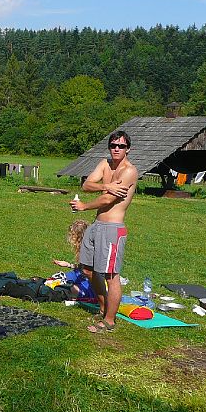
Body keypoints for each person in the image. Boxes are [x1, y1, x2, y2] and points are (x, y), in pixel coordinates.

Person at [69, 130, 138, 333]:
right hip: (97, 225)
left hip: (112, 229)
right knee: (88, 270)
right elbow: (86, 184)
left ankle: (110, 321)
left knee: (111, 275)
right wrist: (106, 185)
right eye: (113, 145)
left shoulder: (129, 171)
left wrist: (84, 206)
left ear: (128, 149)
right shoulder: (104, 164)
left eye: (121, 146)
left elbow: (108, 199)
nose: (117, 149)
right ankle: (103, 307)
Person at [52, 219, 100, 301]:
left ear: (78, 236)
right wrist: (68, 265)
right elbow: (83, 267)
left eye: (72, 235)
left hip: (90, 282)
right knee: (54, 280)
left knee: (68, 289)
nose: (70, 238)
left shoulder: (90, 249)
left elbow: (92, 271)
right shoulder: (81, 247)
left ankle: (90, 295)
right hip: (78, 274)